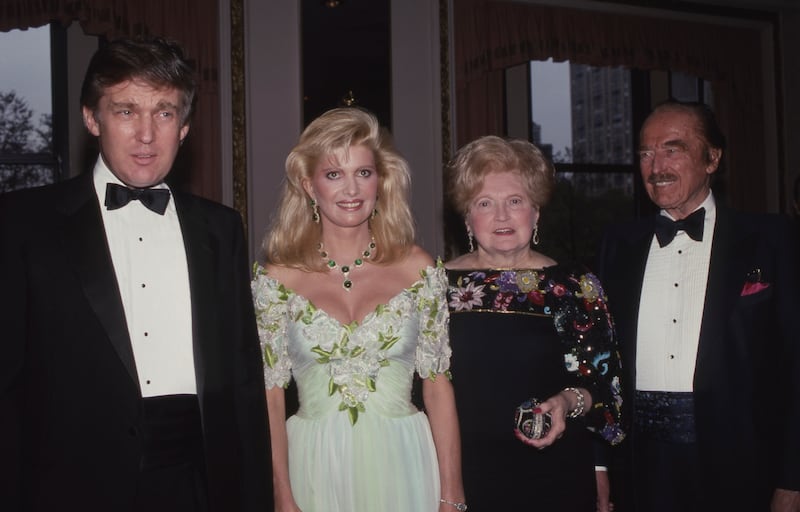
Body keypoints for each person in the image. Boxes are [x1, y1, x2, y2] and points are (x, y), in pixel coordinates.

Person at [0, 37, 272, 511]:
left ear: (184, 127)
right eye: (126, 111)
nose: (146, 134)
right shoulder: (24, 224)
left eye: (164, 113)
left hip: (198, 483)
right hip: (70, 485)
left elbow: (243, 381)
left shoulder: (221, 228)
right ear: (92, 118)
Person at [251, 107, 465, 512]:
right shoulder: (276, 280)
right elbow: (270, 396)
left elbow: (438, 386)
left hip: (405, 462)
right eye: (334, 174)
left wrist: (452, 496)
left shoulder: (420, 269)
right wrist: (281, 494)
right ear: (309, 185)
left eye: (363, 173)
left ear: (381, 182)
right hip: (312, 465)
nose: (351, 190)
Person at [595, 99, 800, 512]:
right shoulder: (617, 245)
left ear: (712, 158)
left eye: (673, 149)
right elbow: (602, 362)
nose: (656, 167)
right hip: (639, 464)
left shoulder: (772, 238)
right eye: (646, 153)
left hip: (742, 462)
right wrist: (601, 467)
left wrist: (792, 479)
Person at [444, 135, 625, 512]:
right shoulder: (434, 287)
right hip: (455, 476)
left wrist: (566, 401)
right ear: (467, 217)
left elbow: (605, 389)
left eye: (515, 201)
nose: (502, 216)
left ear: (536, 211)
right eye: (485, 203)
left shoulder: (574, 286)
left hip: (552, 474)